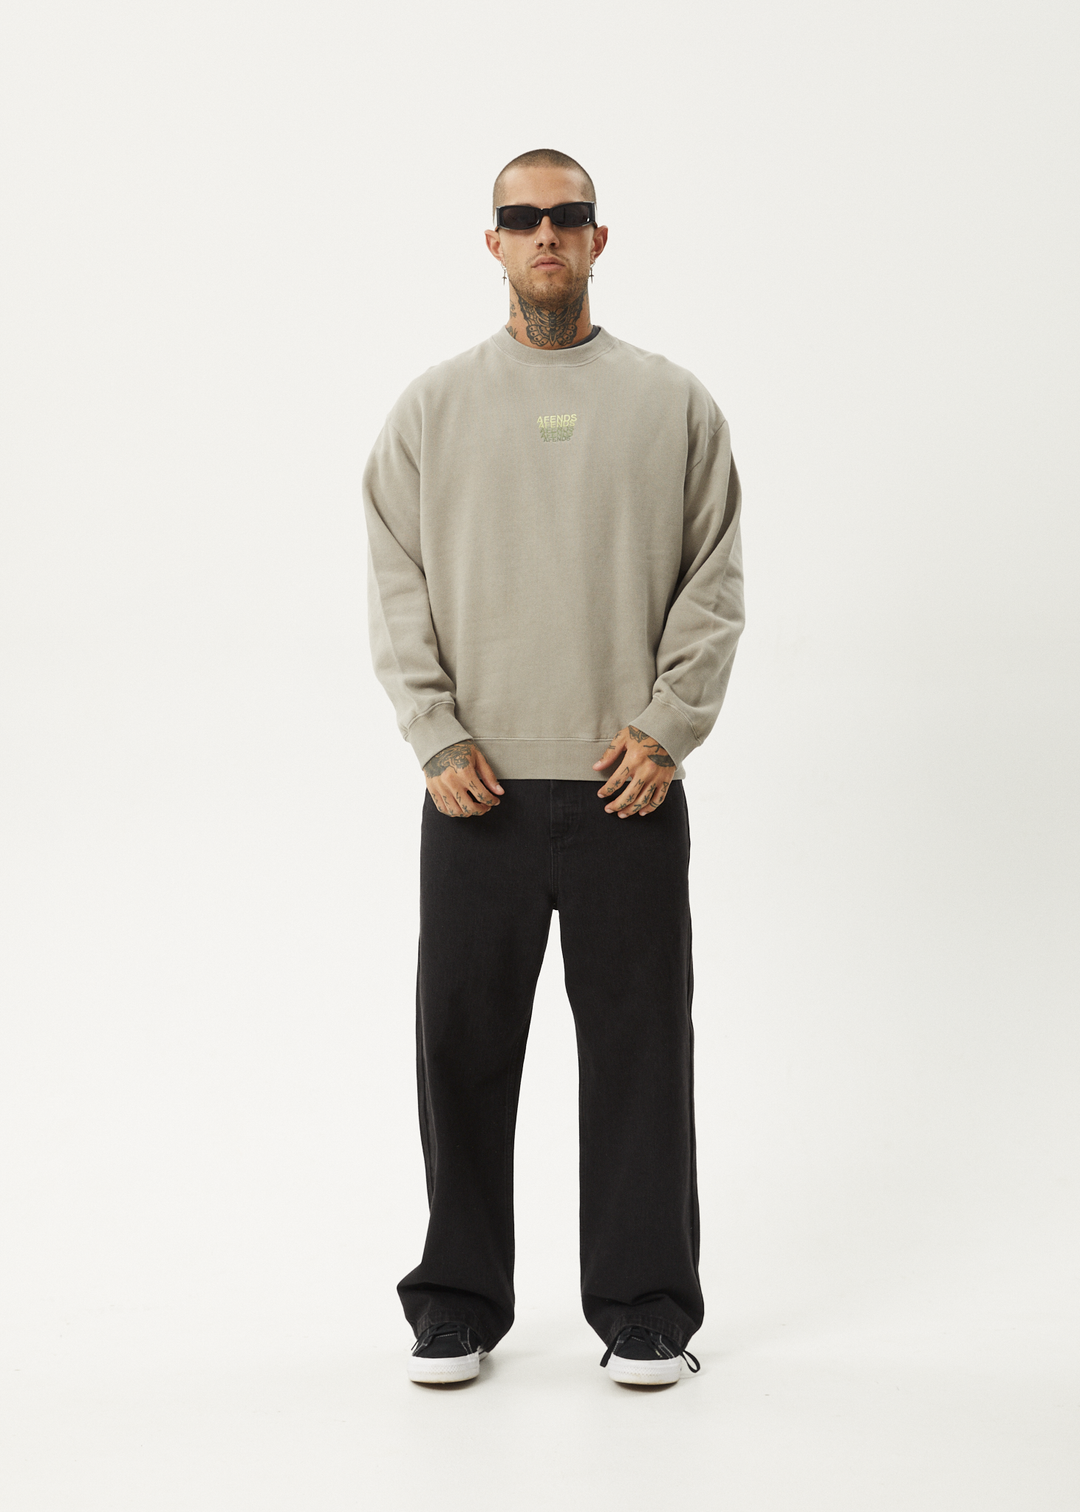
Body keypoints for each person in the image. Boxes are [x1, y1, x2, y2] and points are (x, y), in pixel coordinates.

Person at [362, 148, 745, 1388]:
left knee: (641, 1055)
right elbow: (394, 581)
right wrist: (435, 734)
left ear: (597, 238)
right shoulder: (432, 409)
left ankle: (646, 1309)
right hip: (474, 789)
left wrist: (669, 725)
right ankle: (457, 1303)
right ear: (492, 243)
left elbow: (714, 581)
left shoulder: (672, 403)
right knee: (461, 1051)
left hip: (628, 785)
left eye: (566, 216)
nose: (545, 234)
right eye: (521, 218)